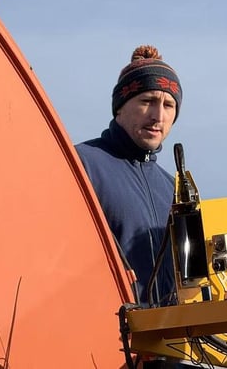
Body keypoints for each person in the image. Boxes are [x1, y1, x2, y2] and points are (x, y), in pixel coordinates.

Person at [76, 45, 181, 306]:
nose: (158, 116)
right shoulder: (82, 164)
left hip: (168, 341)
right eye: (147, 101)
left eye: (168, 105)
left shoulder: (175, 188)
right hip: (103, 332)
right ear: (120, 107)